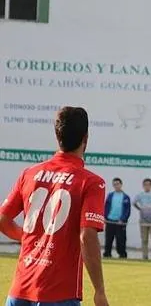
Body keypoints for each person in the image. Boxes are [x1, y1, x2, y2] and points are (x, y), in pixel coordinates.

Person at [0, 106, 109, 306]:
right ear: (85, 138)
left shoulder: (30, 174)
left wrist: (28, 239)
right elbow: (87, 236)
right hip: (59, 293)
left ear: (57, 135)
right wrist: (99, 290)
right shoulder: (91, 182)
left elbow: (3, 220)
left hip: (19, 291)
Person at [103, 177, 131, 259]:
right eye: (114, 184)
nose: (116, 186)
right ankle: (107, 254)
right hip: (110, 221)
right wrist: (105, 217)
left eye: (118, 184)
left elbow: (127, 210)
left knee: (121, 239)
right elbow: (106, 207)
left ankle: (122, 254)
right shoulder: (110, 196)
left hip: (120, 222)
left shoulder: (125, 197)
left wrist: (122, 219)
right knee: (109, 239)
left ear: (121, 184)